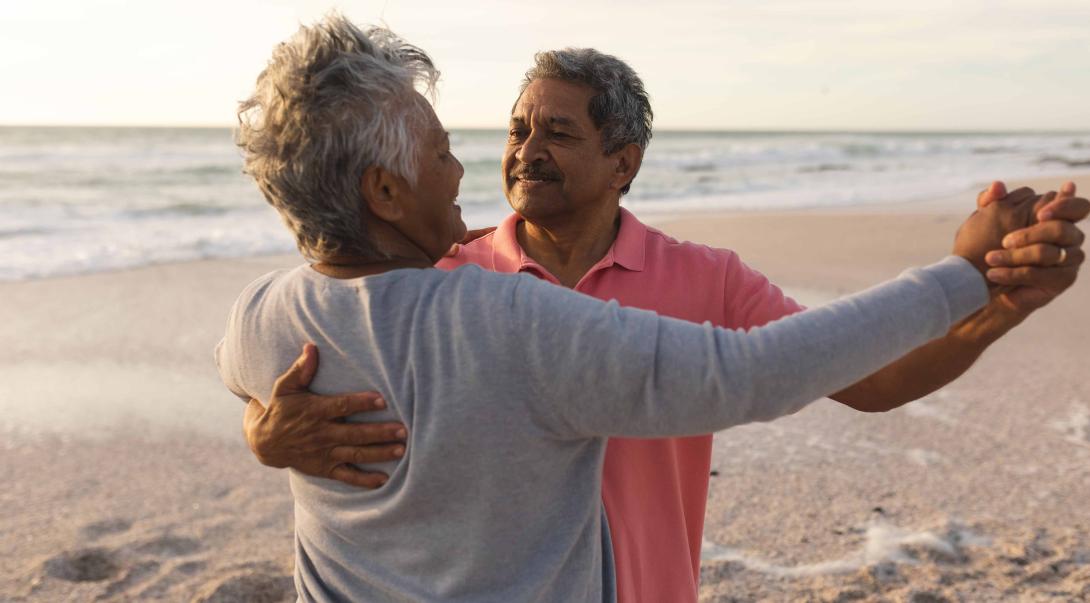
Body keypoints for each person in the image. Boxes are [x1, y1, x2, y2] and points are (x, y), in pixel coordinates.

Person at [229, 19, 1088, 603]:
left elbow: (866, 380)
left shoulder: (704, 277)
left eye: (557, 134)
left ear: (623, 161)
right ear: (385, 189)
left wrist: (998, 302)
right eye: (513, 130)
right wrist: (266, 435)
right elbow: (755, 375)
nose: (520, 153)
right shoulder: (475, 289)